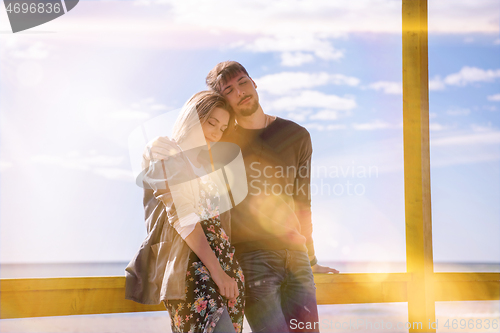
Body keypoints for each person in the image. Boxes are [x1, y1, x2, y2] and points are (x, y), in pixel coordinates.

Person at [144, 61, 339, 333]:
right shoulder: (219, 139)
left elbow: (302, 201)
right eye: (229, 90)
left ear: (254, 82)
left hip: (297, 260)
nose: (240, 92)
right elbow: (181, 157)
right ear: (222, 100)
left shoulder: (297, 136)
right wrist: (154, 146)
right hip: (250, 259)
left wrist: (312, 259)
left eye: (243, 82)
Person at [126, 91, 245, 333]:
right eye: (211, 122)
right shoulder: (165, 154)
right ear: (192, 117)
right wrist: (218, 273)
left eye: (222, 128)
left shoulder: (207, 166)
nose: (216, 132)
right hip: (192, 271)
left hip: (227, 271)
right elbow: (184, 219)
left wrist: (227, 273)